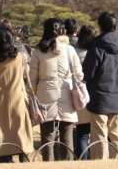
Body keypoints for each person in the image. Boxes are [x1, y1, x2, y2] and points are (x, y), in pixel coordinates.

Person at [29, 18, 84, 161]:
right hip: (66, 94)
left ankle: (48, 163)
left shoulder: (39, 51)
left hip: (45, 95)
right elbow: (79, 75)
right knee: (67, 134)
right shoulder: (70, 50)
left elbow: (32, 78)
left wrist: (33, 96)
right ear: (63, 32)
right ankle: (67, 164)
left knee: (47, 136)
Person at [82, 12, 118, 160]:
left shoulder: (96, 48)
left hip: (99, 98)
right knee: (116, 136)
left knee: (99, 136)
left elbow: (87, 74)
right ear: (116, 27)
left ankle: (100, 166)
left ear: (100, 27)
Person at [0, 27, 33, 161]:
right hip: (18, 97)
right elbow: (26, 73)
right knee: (20, 130)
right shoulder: (20, 56)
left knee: (2, 131)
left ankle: (4, 159)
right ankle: (24, 158)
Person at [73, 25, 96, 159]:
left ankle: (82, 160)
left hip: (79, 96)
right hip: (94, 95)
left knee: (82, 134)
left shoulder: (74, 52)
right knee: (96, 133)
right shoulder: (95, 52)